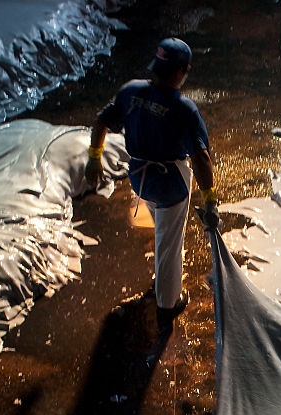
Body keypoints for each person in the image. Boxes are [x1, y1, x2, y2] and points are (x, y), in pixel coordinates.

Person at [85, 37, 220, 323]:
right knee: (170, 245)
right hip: (170, 183)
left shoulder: (130, 91)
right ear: (183, 70)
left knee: (162, 231)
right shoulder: (184, 109)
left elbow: (101, 121)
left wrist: (94, 157)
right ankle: (168, 304)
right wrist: (210, 201)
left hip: (140, 178)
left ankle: (162, 281)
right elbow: (201, 159)